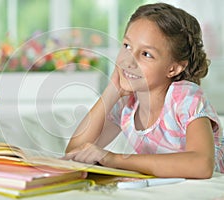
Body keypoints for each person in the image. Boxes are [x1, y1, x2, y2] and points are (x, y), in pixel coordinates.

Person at [64, 2, 224, 178]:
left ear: (173, 68)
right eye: (127, 46)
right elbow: (75, 153)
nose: (129, 61)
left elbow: (201, 165)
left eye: (146, 54)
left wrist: (115, 159)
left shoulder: (185, 97)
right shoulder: (127, 104)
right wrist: (112, 91)